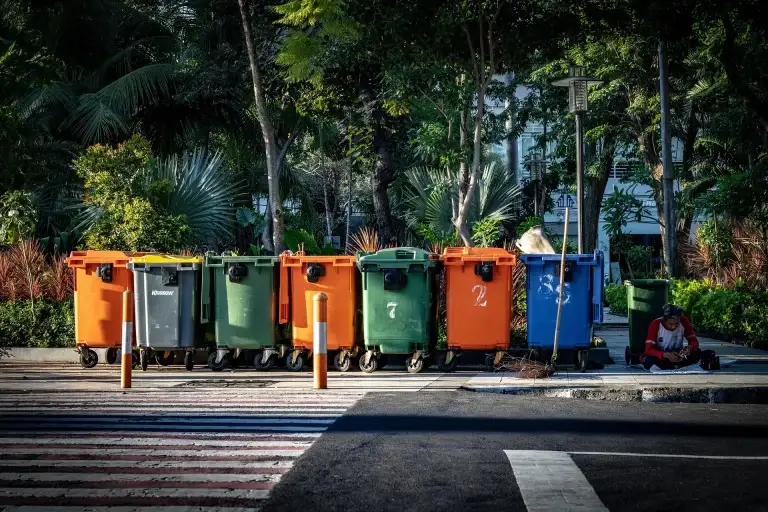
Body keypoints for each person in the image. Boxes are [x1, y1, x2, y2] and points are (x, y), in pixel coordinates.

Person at [641, 304, 719, 370]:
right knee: (650, 360)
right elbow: (648, 350)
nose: (673, 326)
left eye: (676, 323)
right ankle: (676, 365)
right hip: (662, 356)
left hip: (679, 355)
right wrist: (665, 355)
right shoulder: (655, 324)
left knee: (698, 352)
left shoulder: (684, 321)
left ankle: (676, 365)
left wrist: (689, 347)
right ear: (664, 320)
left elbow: (694, 341)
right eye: (670, 324)